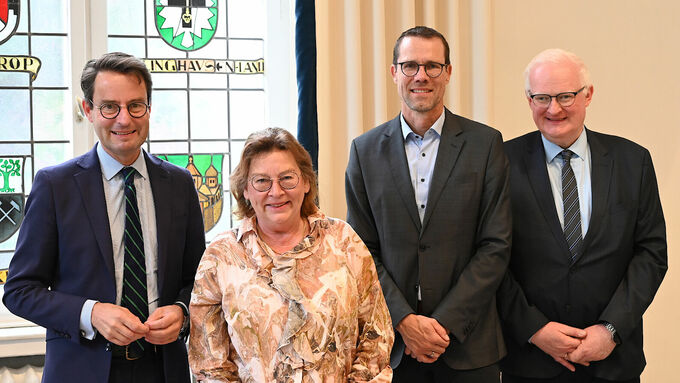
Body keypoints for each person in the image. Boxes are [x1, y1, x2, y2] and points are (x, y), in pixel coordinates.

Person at [2, 52, 206, 383]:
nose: (124, 119)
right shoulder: (56, 186)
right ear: (88, 110)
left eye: (135, 106)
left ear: (149, 110)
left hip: (164, 370)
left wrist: (182, 313)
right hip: (81, 369)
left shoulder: (179, 184)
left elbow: (199, 280)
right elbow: (20, 290)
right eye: (109, 106)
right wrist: (91, 313)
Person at [345, 26, 511, 382]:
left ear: (448, 73)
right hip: (392, 350)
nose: (421, 76)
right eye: (410, 66)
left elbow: (495, 245)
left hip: (469, 348)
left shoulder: (485, 144)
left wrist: (443, 324)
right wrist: (405, 321)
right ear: (394, 73)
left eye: (433, 66)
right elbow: (360, 252)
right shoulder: (364, 151)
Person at [497, 48, 667, 383]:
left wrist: (611, 330)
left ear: (588, 95)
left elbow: (651, 254)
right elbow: (489, 257)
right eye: (542, 97)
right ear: (528, 99)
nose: (554, 108)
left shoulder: (633, 161)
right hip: (530, 363)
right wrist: (534, 328)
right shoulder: (500, 162)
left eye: (565, 96)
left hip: (614, 362)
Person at [188, 127, 394, 382]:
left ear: (306, 182)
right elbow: (209, 364)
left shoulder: (344, 241)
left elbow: (377, 336)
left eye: (287, 178)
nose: (276, 192)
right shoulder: (221, 255)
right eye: (262, 181)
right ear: (245, 190)